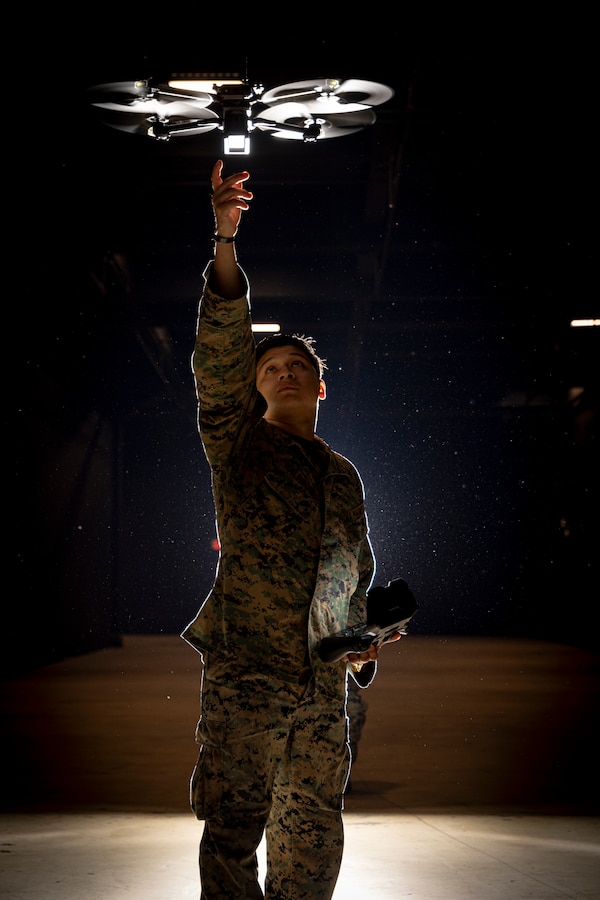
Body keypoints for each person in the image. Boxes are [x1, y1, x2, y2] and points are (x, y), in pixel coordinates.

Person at [181, 160, 400, 899]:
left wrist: (366, 646)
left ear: (320, 386)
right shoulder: (237, 444)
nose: (280, 371)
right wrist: (225, 240)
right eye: (268, 365)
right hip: (248, 680)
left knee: (310, 840)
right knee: (234, 830)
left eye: (295, 365)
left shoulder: (342, 475)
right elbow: (217, 360)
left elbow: (353, 575)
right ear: (253, 385)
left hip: (321, 692)